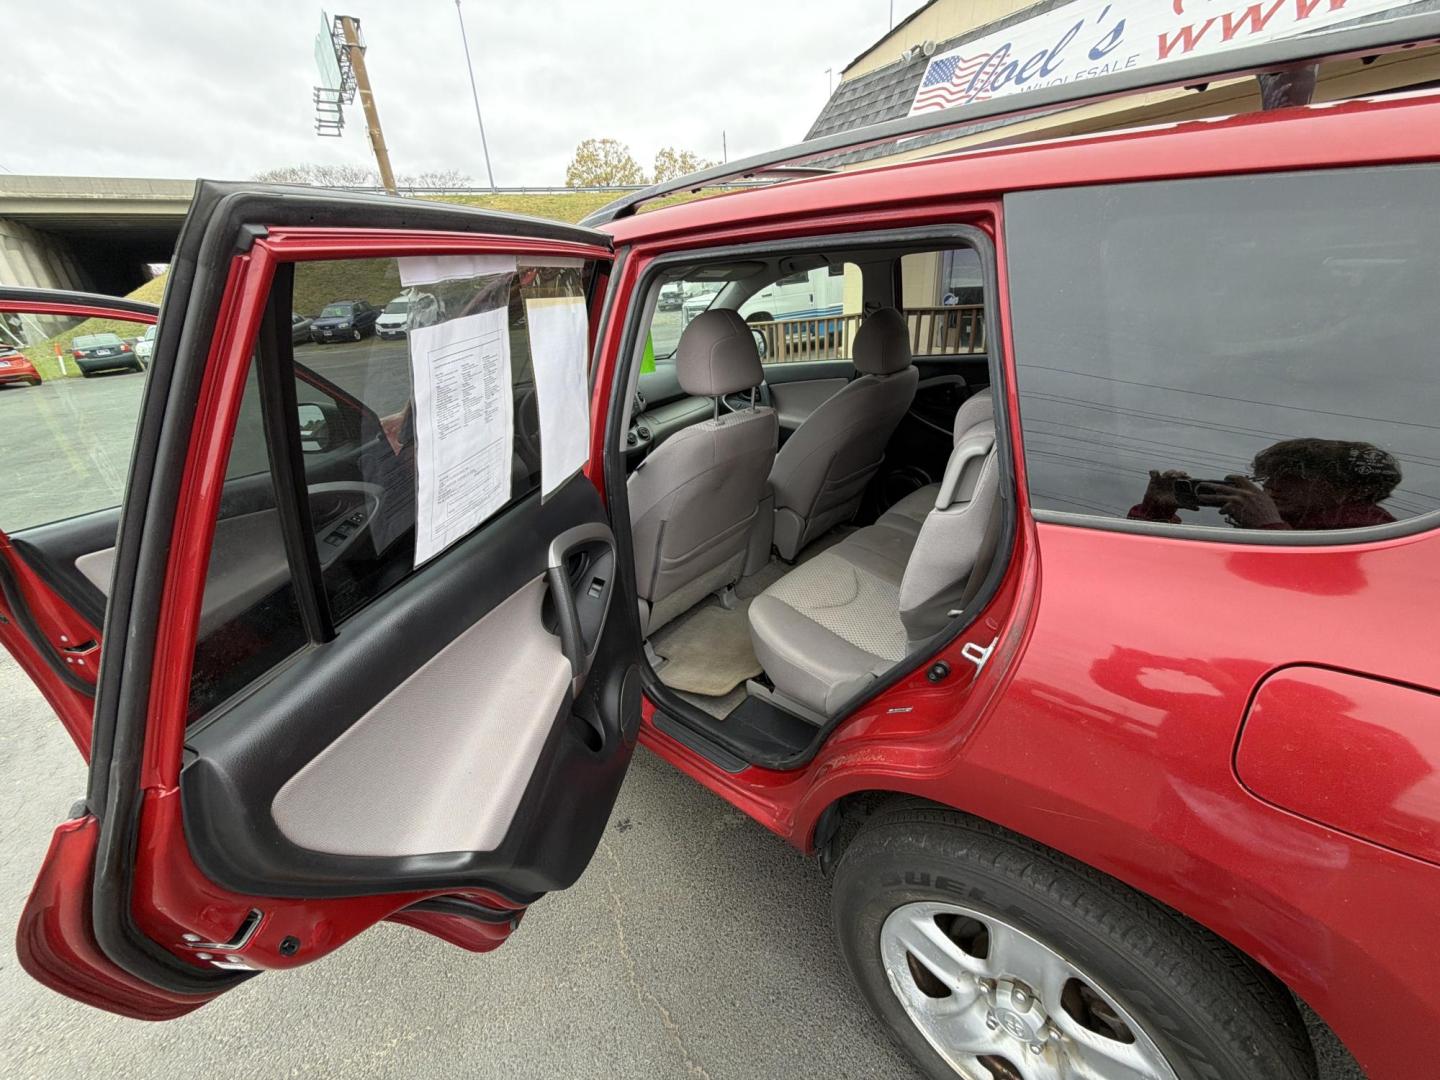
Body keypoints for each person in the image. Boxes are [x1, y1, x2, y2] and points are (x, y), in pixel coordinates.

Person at [1129, 438, 1401, 530]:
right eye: (1266, 477)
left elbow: (1312, 595)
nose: (1271, 485)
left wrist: (1267, 525)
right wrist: (1154, 512)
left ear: (1348, 489)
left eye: (1291, 474)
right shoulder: (1300, 525)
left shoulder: (1369, 534)